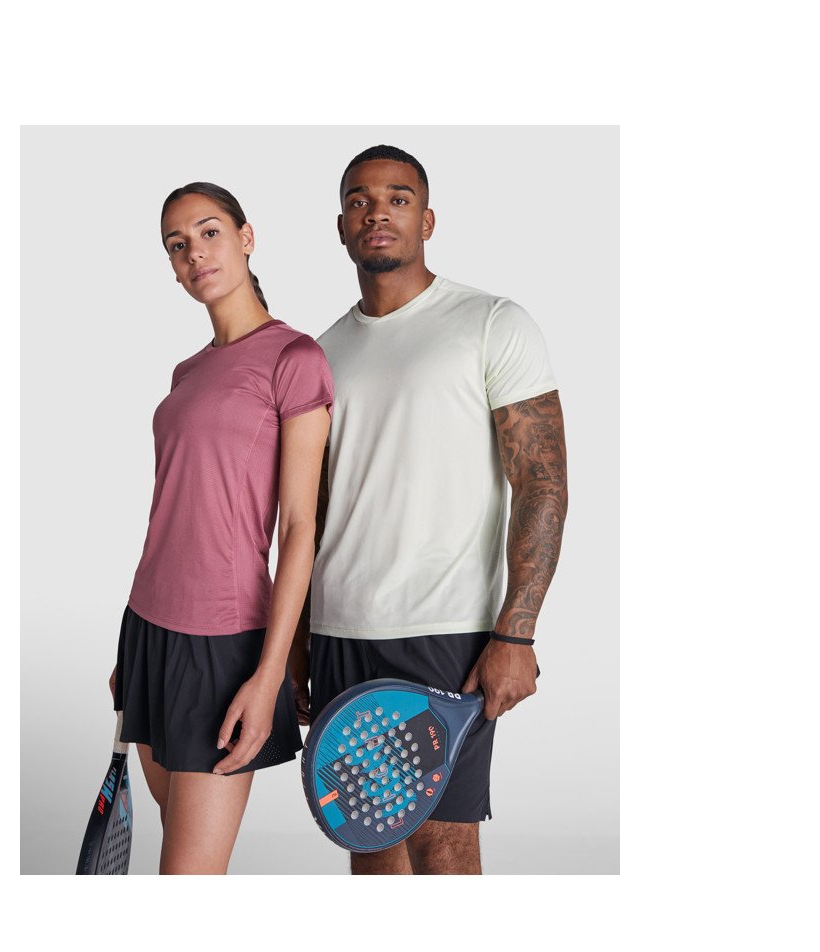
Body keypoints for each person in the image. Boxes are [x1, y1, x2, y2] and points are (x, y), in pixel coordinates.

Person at [291, 145, 568, 875]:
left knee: (442, 844)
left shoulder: (491, 322)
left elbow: (542, 482)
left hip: (445, 630)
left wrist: (517, 630)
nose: (376, 212)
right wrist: (297, 639)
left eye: (398, 197)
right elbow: (313, 509)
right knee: (371, 841)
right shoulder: (320, 354)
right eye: (358, 200)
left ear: (428, 219)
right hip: (340, 628)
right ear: (340, 226)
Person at [109, 182, 333, 875]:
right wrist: (133, 651)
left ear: (246, 237)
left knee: (188, 876)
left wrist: (270, 675)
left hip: (222, 643)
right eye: (177, 245)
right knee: (175, 851)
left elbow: (300, 527)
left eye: (209, 233)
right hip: (149, 627)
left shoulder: (295, 359)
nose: (195, 254)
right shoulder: (188, 370)